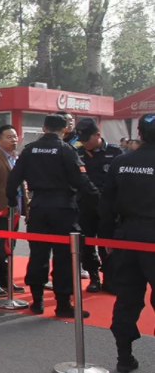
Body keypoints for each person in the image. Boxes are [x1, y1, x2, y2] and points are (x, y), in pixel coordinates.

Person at [6, 113, 99, 318]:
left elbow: (13, 180)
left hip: (38, 207)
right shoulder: (66, 150)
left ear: (44, 128)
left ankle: (37, 300)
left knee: (38, 255)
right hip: (63, 209)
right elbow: (81, 180)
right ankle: (63, 304)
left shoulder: (30, 150)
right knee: (64, 257)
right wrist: (99, 202)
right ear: (64, 129)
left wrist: (12, 202)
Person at [99, 113, 155, 373]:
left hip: (126, 236)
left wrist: (107, 237)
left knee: (126, 299)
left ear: (139, 134)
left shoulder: (121, 162)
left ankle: (124, 357)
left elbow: (106, 203)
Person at [73, 117, 122, 293]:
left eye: (87, 139)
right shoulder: (77, 154)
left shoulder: (115, 153)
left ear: (97, 135)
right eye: (81, 140)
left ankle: (109, 278)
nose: (84, 143)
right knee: (86, 244)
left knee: (107, 244)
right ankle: (94, 277)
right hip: (85, 207)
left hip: (108, 208)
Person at [0, 124, 27, 296]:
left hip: (15, 210)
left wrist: (26, 208)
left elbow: (22, 185)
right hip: (1, 211)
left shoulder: (17, 158)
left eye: (15, 136)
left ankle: (5, 279)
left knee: (9, 247)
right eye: (9, 137)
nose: (14, 140)